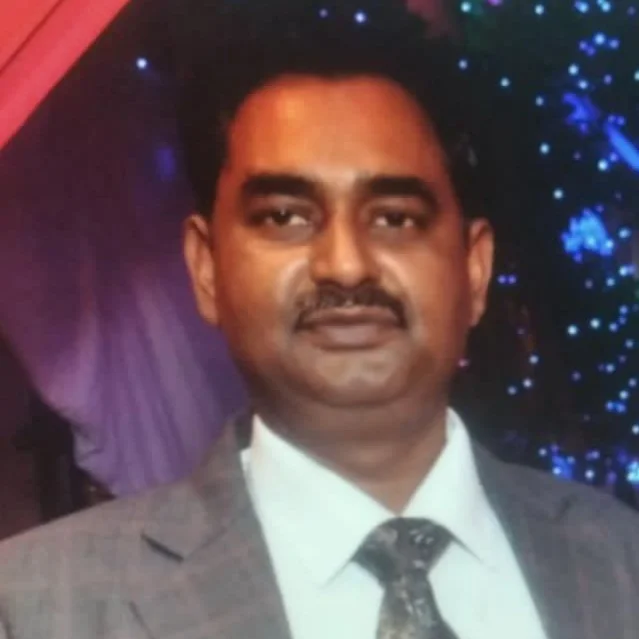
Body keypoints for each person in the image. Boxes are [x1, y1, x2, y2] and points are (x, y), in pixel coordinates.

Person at [1, 3, 639, 638]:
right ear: (206, 268)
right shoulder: (35, 606)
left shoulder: (619, 559)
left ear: (474, 269)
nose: (346, 265)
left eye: (395, 218)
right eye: (285, 217)